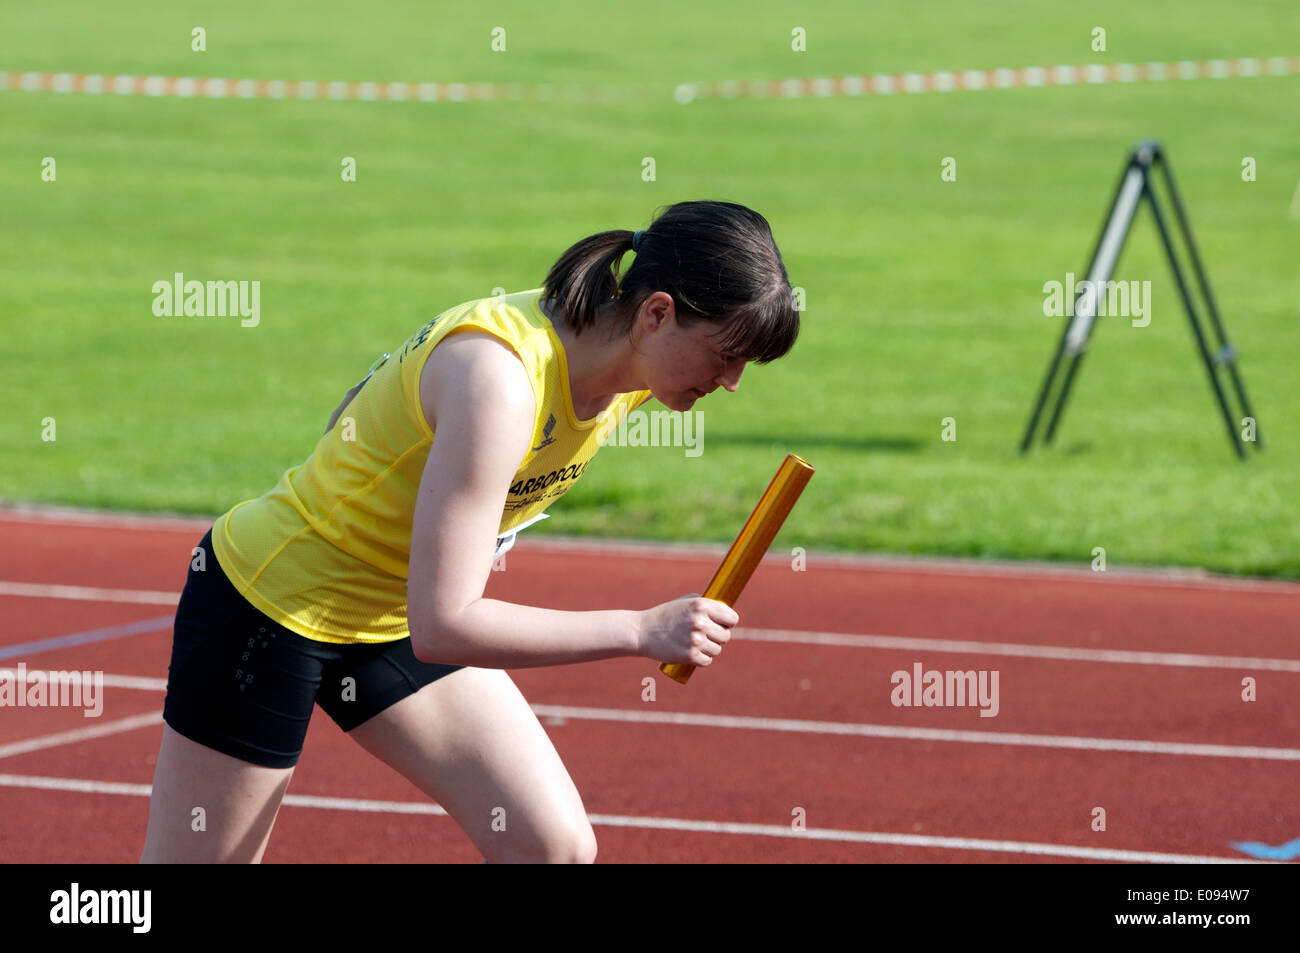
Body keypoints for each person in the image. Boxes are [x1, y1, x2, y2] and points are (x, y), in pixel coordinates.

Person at [140, 199, 800, 863]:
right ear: (657, 313)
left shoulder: (629, 369)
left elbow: (361, 411)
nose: (733, 382)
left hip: (388, 617)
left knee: (551, 846)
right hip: (271, 610)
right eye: (726, 355)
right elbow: (445, 625)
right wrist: (639, 629)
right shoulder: (501, 375)